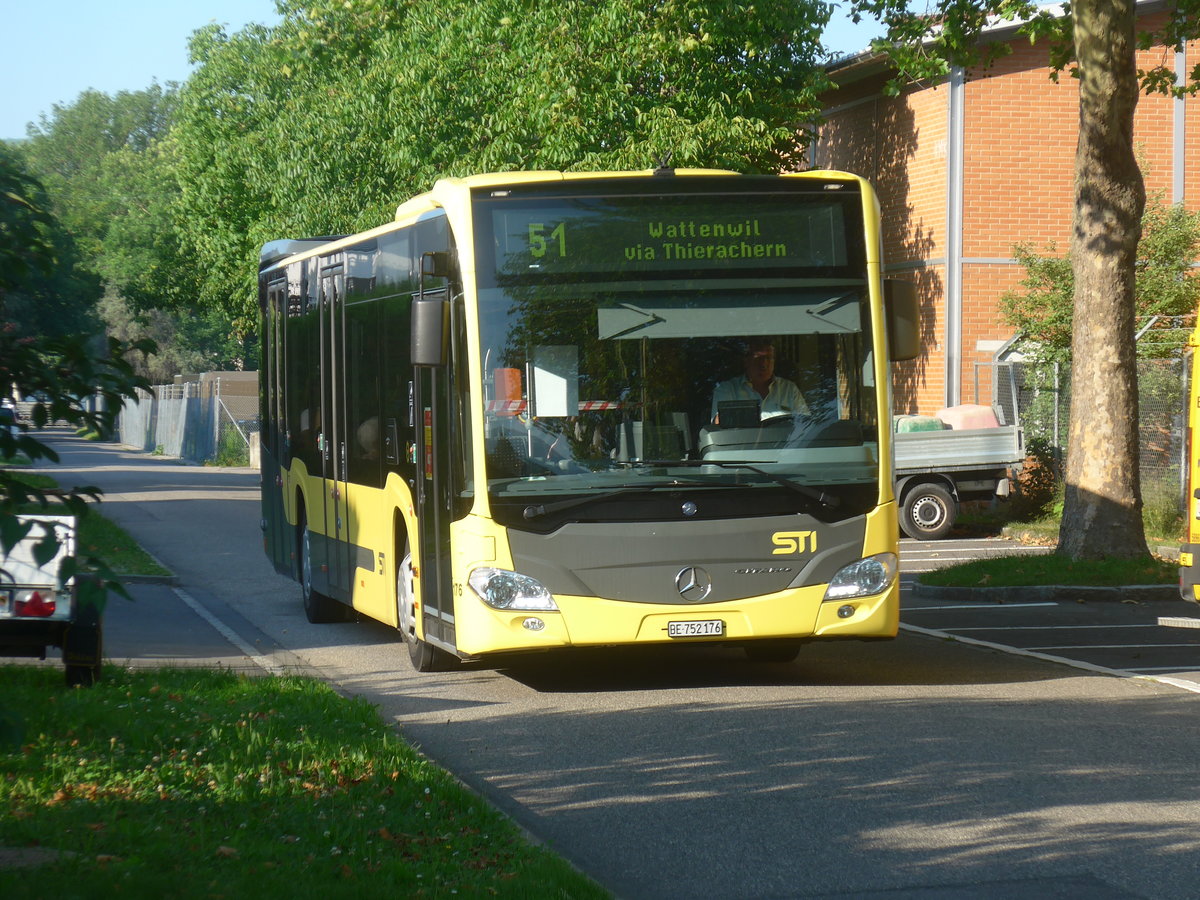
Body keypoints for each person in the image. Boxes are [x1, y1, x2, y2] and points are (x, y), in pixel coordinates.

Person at [710, 337, 810, 423]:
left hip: (786, 445)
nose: (763, 364)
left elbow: (805, 425)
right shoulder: (727, 389)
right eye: (758, 358)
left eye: (768, 358)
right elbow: (719, 426)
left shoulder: (789, 389)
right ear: (746, 362)